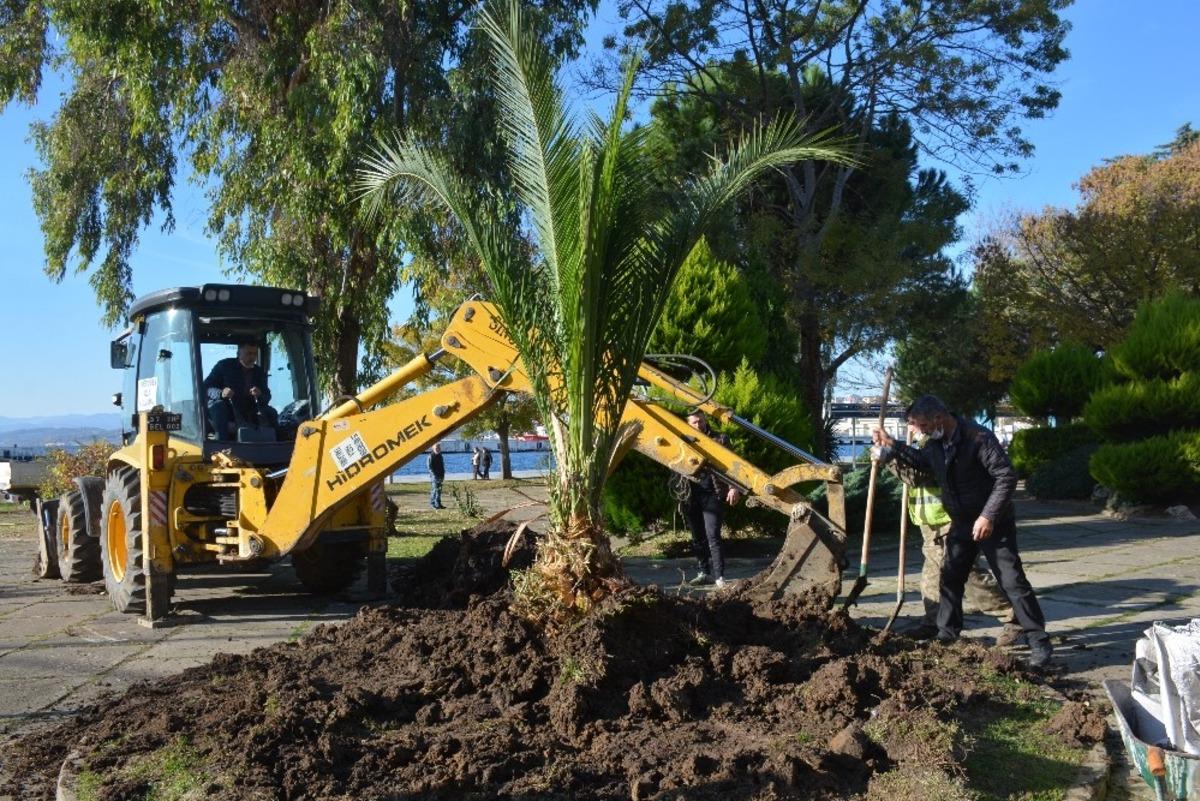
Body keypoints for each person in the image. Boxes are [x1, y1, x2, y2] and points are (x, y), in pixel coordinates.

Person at [872, 395, 1052, 668]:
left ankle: (1038, 641)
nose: (919, 431)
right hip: (961, 521)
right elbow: (922, 463)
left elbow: (1006, 476)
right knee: (951, 577)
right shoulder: (936, 443)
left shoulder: (978, 438)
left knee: (1012, 580)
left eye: (921, 425)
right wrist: (892, 448)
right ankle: (946, 634)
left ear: (939, 419)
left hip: (994, 522)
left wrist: (988, 516)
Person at [887, 428, 1021, 645]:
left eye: (913, 422)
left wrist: (888, 458)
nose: (910, 427)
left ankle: (1013, 615)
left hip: (948, 518)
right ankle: (935, 621)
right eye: (909, 422)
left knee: (965, 574)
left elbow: (917, 476)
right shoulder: (922, 444)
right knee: (932, 574)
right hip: (930, 521)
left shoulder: (937, 444)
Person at [672, 410, 741, 588]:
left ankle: (719, 577)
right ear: (688, 424)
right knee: (697, 537)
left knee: (713, 535)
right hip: (690, 495)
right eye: (694, 423)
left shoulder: (720, 439)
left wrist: (734, 487)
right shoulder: (682, 440)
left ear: (706, 421)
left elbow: (732, 466)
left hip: (713, 493)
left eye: (701, 422)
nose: (698, 426)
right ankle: (703, 572)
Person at [203, 341, 274, 439]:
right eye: (249, 354)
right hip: (227, 409)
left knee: (271, 412)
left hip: (248, 410)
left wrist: (260, 394)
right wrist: (221, 393)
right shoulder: (224, 366)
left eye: (255, 354)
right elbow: (206, 387)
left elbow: (267, 396)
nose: (252, 357)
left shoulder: (259, 372)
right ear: (238, 354)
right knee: (218, 406)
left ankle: (277, 446)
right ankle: (222, 444)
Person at [427, 443, 446, 509]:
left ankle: (438, 503)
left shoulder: (440, 455)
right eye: (436, 448)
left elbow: (442, 465)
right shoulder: (431, 456)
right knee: (434, 490)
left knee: (439, 491)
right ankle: (432, 503)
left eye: (439, 448)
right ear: (433, 448)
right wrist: (434, 475)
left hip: (441, 475)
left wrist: (443, 473)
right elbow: (430, 468)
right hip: (434, 476)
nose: (438, 449)